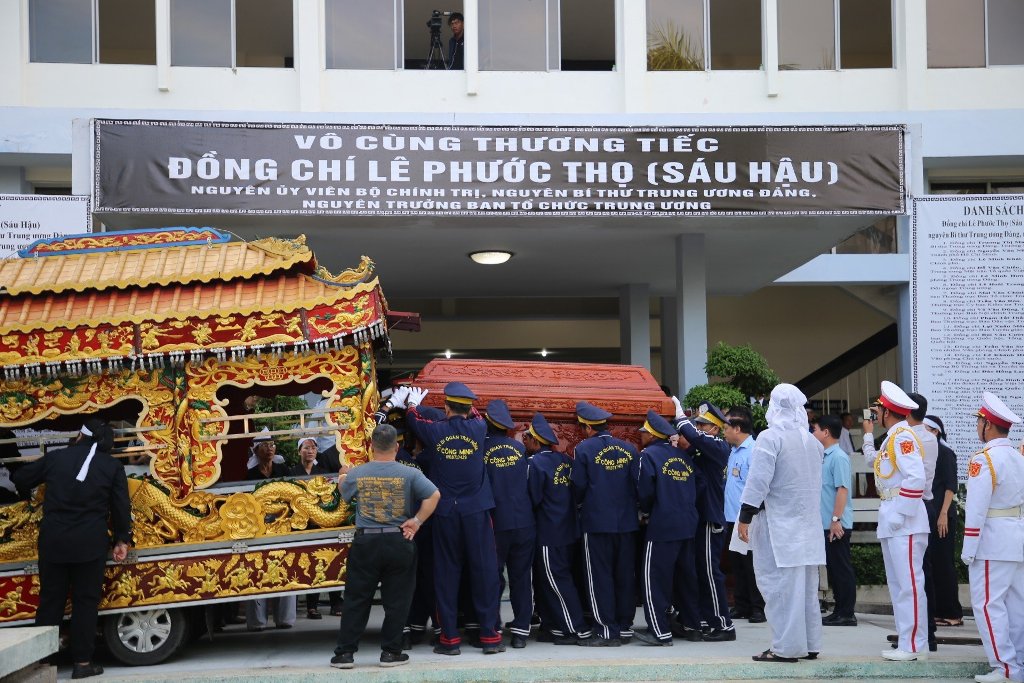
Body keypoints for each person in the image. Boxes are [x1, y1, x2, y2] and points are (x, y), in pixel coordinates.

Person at [13, 419, 132, 680]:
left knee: (50, 602)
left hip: (54, 540)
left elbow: (21, 477)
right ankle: (82, 663)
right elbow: (121, 507)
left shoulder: (57, 458)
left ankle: (41, 663)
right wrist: (121, 540)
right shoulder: (112, 466)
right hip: (90, 543)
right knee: (85, 603)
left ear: (80, 435)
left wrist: (30, 497)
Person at [401, 382, 505, 655]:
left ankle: (449, 639)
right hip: (477, 512)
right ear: (469, 407)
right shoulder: (479, 427)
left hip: (446, 512)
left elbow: (412, 417)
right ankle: (490, 637)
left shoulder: (434, 431)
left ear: (445, 407)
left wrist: (411, 402)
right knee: (485, 572)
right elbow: (478, 414)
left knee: (446, 574)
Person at [330, 424, 440, 669]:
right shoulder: (410, 473)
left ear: (371, 446)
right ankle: (391, 652)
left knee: (356, 598)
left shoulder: (359, 473)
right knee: (397, 601)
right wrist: (417, 521)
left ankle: (344, 654)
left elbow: (344, 491)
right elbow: (434, 495)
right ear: (397, 447)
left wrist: (342, 475)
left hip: (366, 541)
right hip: (399, 540)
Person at [737, 384, 826, 663]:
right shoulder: (813, 441)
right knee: (806, 590)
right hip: (809, 529)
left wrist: (745, 516)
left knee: (779, 588)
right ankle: (810, 644)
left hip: (780, 527)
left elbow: (759, 480)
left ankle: (785, 648)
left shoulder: (770, 437)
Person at [860, 381, 930, 660]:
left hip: (905, 520)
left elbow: (916, 478)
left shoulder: (902, 437)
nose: (875, 414)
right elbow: (875, 464)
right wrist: (867, 437)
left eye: (878, 409)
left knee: (909, 585)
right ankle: (909, 641)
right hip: (894, 517)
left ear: (887, 412)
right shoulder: (893, 437)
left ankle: (913, 644)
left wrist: (901, 514)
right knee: (900, 585)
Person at [961, 392, 1024, 683]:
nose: (977, 426)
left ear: (987, 424)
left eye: (979, 421)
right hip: (1016, 540)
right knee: (1015, 607)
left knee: (988, 605)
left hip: (992, 542)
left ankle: (1004, 667)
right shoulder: (1016, 456)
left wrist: (968, 549)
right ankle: (1018, 664)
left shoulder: (984, 460)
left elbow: (976, 510)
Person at [571, 401, 639, 646]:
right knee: (624, 575)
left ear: (588, 427)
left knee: (599, 576)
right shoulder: (629, 449)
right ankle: (624, 626)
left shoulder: (584, 449)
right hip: (627, 523)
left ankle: (606, 630)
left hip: (597, 522)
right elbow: (636, 485)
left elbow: (577, 485)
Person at [671, 398, 735, 642]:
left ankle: (723, 625)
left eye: (703, 425)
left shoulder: (719, 446)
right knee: (698, 571)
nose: (698, 428)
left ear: (715, 429)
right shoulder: (702, 448)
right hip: (699, 518)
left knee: (710, 573)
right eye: (697, 423)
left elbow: (695, 438)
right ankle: (706, 619)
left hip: (710, 518)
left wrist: (681, 419)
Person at [633, 410, 699, 646]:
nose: (640, 436)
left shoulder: (647, 456)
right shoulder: (682, 456)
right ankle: (692, 626)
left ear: (652, 435)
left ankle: (659, 631)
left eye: (643, 432)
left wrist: (646, 512)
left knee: (654, 579)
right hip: (687, 523)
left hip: (662, 525)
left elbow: (645, 491)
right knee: (686, 578)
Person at [525, 412, 592, 645]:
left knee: (556, 581)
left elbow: (532, 499)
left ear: (535, 440)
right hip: (568, 530)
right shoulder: (565, 460)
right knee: (553, 580)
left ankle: (576, 629)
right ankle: (554, 627)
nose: (525, 442)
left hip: (548, 534)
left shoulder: (534, 464)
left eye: (527, 438)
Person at [482, 399, 535, 649]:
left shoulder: (480, 449)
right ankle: (522, 632)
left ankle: (492, 628)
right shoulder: (519, 448)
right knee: (521, 578)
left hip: (495, 523)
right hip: (524, 521)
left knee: (493, 577)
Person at [246, 429, 296, 630]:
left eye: (272, 445)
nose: (270, 448)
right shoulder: (248, 474)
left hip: (282, 525)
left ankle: (284, 619)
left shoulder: (284, 472)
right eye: (265, 445)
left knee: (286, 569)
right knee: (255, 571)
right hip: (257, 527)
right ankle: (257, 621)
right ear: (256, 450)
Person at [811, 415, 858, 626]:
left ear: (826, 432)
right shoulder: (824, 455)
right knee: (834, 569)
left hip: (836, 524)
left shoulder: (838, 457)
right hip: (826, 523)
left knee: (841, 569)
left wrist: (836, 519)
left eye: (815, 430)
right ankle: (839, 610)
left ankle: (847, 613)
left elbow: (842, 489)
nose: (813, 433)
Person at [721, 406, 765, 624]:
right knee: (737, 564)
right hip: (731, 517)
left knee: (751, 565)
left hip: (747, 519)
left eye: (726, 427)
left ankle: (758, 607)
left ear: (737, 428)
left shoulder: (754, 451)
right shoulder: (734, 451)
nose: (723, 431)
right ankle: (742, 605)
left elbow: (756, 487)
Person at [922, 415, 964, 627]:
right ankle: (938, 609)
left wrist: (943, 514)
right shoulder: (927, 453)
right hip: (932, 514)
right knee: (933, 563)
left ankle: (952, 612)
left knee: (944, 563)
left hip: (943, 515)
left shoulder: (946, 453)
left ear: (936, 432)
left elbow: (950, 486)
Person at [907, 392, 940, 651]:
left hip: (916, 504)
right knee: (920, 571)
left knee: (915, 573)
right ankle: (924, 632)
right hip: (924, 504)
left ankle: (922, 633)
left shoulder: (911, 437)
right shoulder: (927, 436)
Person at [289, 436, 333, 619]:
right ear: (299, 451)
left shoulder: (323, 471)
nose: (310, 450)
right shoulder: (292, 472)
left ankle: (334, 602)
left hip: (319, 521)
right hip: (300, 523)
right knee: (308, 564)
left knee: (326, 561)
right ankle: (310, 606)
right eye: (306, 447)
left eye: (313, 447)